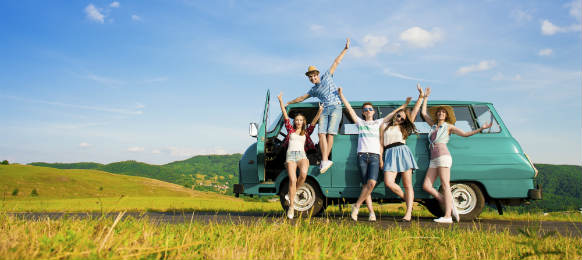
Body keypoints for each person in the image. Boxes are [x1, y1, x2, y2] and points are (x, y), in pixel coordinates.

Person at [338, 87, 413, 222]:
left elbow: (394, 113)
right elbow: (349, 108)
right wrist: (341, 95)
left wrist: (405, 105)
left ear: (373, 112)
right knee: (366, 185)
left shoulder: (379, 122)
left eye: (370, 109)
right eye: (365, 109)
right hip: (361, 156)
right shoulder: (359, 123)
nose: (368, 111)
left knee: (371, 183)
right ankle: (371, 212)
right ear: (363, 112)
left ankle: (356, 206)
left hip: (374, 156)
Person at [420, 88, 492, 223]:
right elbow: (424, 113)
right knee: (426, 186)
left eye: (443, 112)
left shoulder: (448, 127)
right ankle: (448, 203)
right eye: (439, 112)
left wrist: (481, 129)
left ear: (446, 115)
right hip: (433, 158)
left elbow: (465, 134)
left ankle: (447, 216)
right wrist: (425, 97)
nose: (441, 113)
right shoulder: (434, 125)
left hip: (443, 155)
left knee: (445, 185)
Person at [285, 38, 350, 174]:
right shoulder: (313, 90)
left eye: (314, 76)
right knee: (321, 134)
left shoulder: (327, 76)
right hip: (325, 109)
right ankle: (325, 160)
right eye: (310, 77)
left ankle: (325, 159)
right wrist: (289, 102)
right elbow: (302, 97)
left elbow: (336, 62)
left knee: (330, 134)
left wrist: (345, 49)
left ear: (318, 74)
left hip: (336, 106)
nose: (313, 78)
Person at [379, 84, 425, 222]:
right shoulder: (384, 126)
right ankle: (408, 201)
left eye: (402, 118)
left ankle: (408, 214)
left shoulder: (404, 128)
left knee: (407, 185)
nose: (399, 119)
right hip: (389, 153)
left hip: (403, 152)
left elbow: (415, 112)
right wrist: (381, 159)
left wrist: (420, 97)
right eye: (399, 116)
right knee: (388, 182)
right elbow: (381, 144)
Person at [277, 92, 323, 219]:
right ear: (294, 122)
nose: (298, 122)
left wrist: (319, 111)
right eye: (297, 120)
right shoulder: (290, 130)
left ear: (303, 122)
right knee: (292, 180)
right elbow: (285, 115)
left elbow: (314, 122)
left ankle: (292, 193)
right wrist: (281, 101)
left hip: (302, 156)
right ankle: (291, 207)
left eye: (301, 120)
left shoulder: (306, 132)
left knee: (303, 175)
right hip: (291, 156)